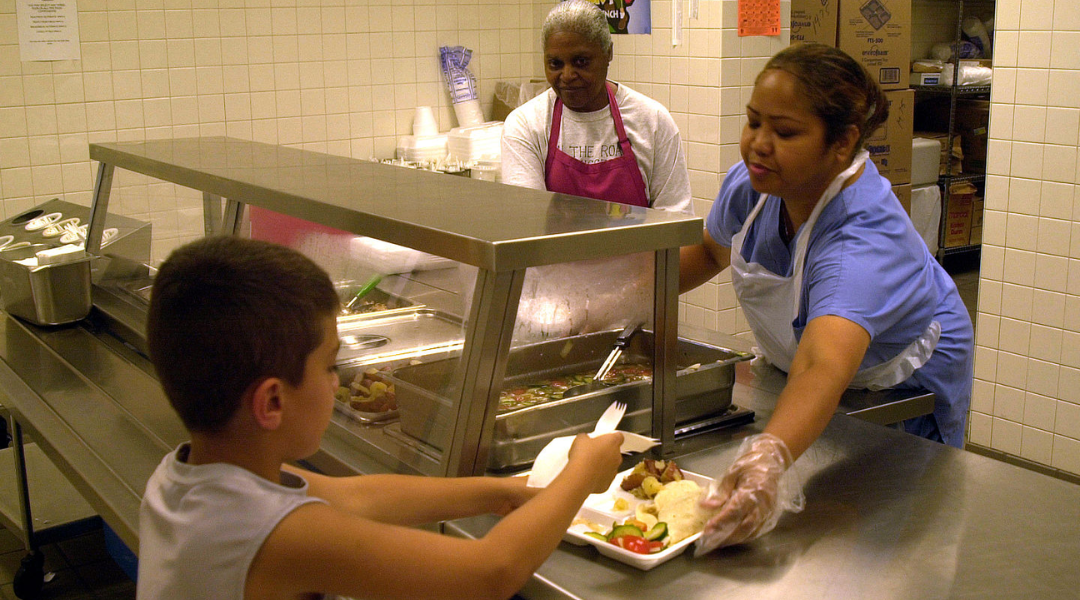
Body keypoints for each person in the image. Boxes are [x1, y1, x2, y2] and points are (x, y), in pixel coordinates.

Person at [137, 235, 624, 600]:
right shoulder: (276, 534)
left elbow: (357, 496)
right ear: (272, 403)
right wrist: (580, 475)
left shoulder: (187, 477)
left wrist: (505, 492)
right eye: (330, 366)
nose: (336, 382)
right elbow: (489, 571)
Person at [680, 43, 974, 552]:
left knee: (885, 537)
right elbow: (708, 252)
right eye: (753, 122)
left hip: (899, 382)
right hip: (810, 365)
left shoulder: (862, 239)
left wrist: (768, 457)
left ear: (842, 143)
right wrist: (613, 301)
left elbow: (822, 365)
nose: (758, 144)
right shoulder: (756, 185)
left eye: (785, 131)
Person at [501, 0, 691, 214]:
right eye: (555, 64)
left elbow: (675, 223)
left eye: (581, 61)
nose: (567, 76)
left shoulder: (652, 121)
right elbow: (528, 220)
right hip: (556, 248)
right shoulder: (526, 125)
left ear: (608, 53)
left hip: (640, 247)